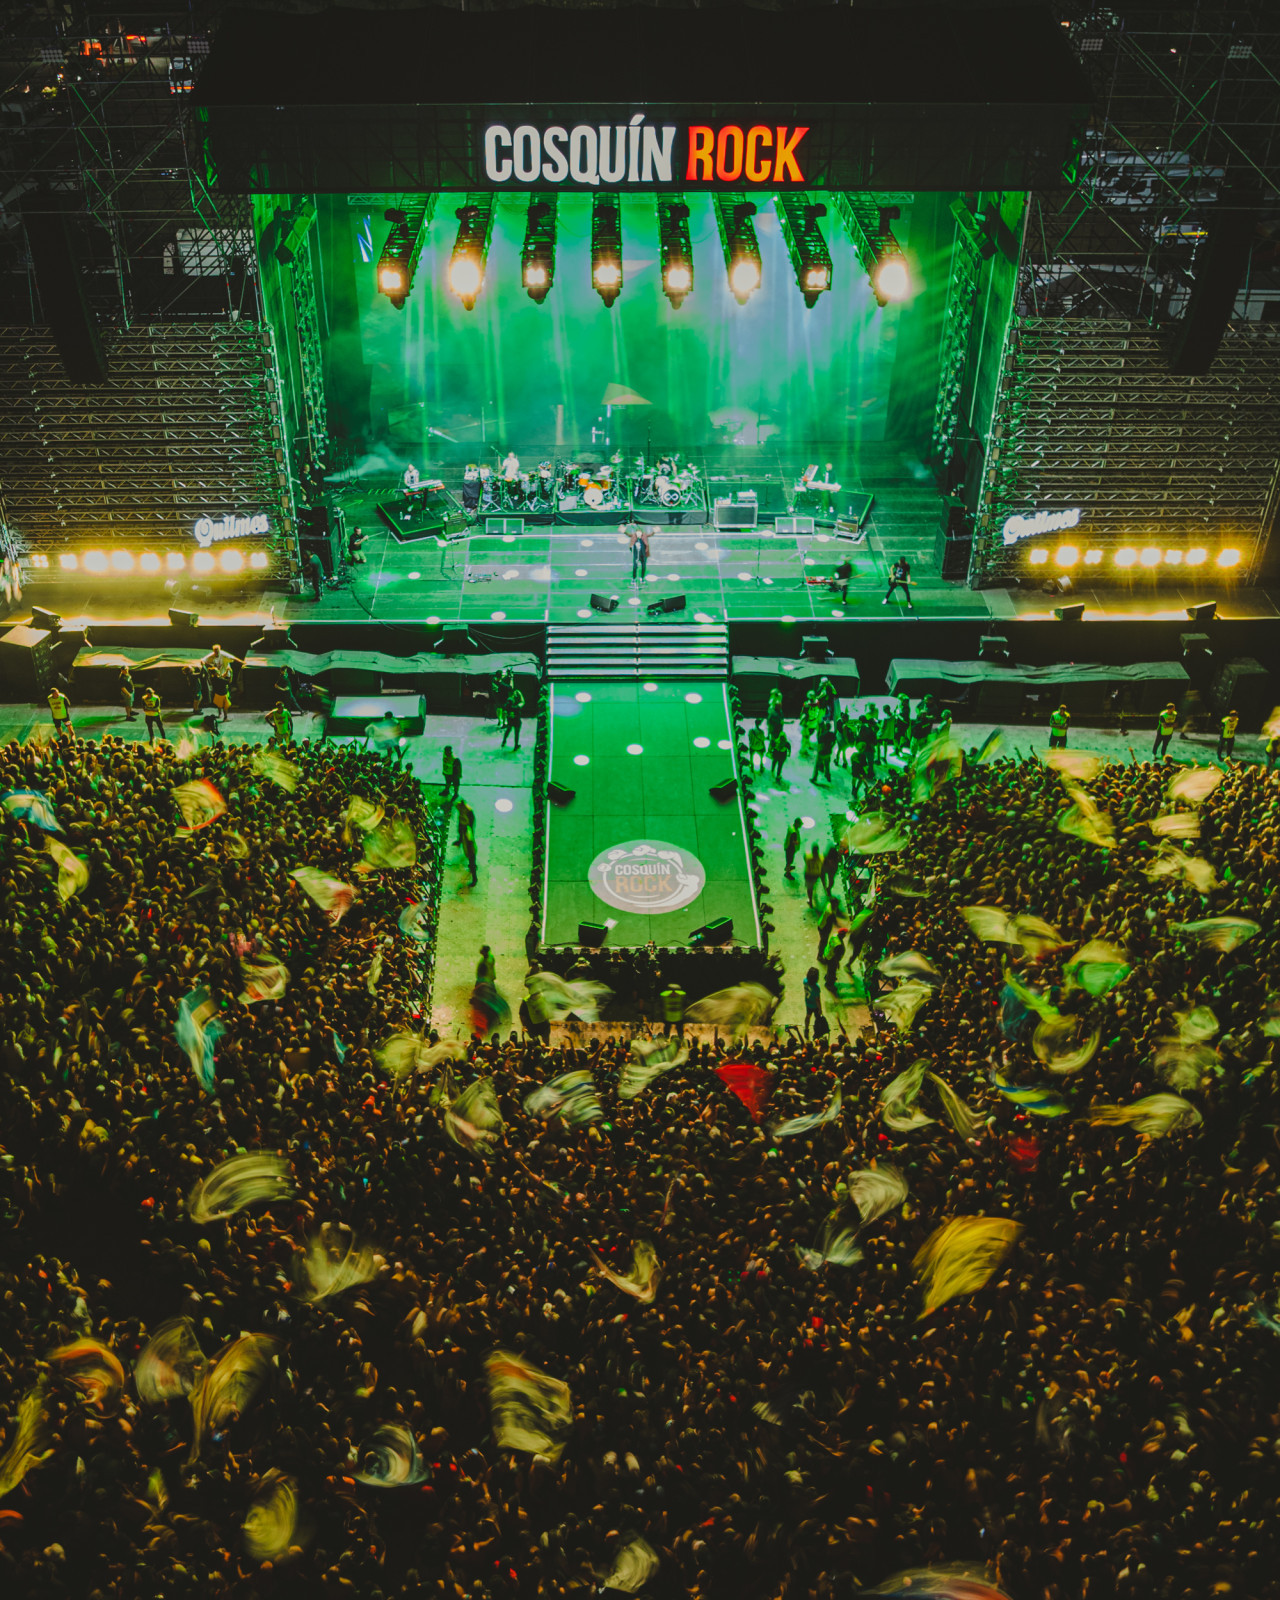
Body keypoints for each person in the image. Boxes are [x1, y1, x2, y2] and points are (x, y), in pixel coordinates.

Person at [812, 718, 836, 784]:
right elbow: (834, 741)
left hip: (822, 752)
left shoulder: (822, 735)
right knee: (827, 765)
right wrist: (831, 747)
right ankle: (828, 777)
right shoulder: (832, 734)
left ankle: (814, 778)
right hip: (828, 752)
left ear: (825, 727)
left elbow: (819, 742)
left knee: (817, 766)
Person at [803, 965, 823, 1037]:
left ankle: (806, 1029)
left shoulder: (805, 981)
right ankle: (817, 1031)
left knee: (808, 1016)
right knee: (817, 1018)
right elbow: (817, 1000)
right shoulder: (816, 988)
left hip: (808, 1003)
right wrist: (820, 1009)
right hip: (815, 1005)